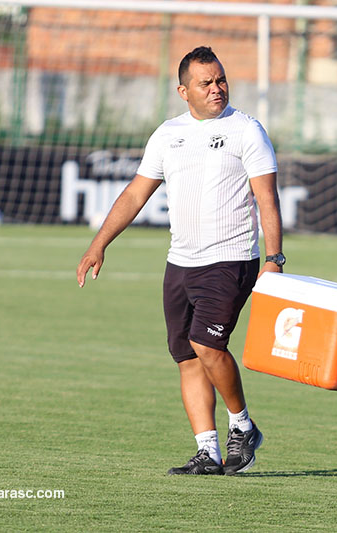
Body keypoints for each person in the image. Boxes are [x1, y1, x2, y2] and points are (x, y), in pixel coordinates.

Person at [77, 46, 285, 476]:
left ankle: (242, 426)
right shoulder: (167, 134)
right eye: (206, 83)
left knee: (208, 344)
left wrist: (274, 258)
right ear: (183, 91)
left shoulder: (247, 130)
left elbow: (267, 197)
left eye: (221, 79)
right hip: (180, 262)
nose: (217, 89)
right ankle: (207, 451)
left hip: (231, 260)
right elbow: (136, 193)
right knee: (187, 356)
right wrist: (99, 244)